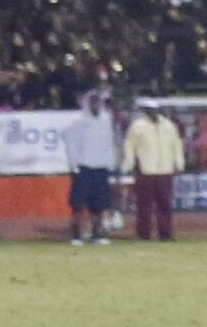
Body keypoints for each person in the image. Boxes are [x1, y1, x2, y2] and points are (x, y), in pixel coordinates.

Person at [123, 101, 186, 241]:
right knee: (144, 204)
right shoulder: (138, 126)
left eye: (155, 109)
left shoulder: (168, 126)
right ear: (145, 111)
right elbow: (130, 145)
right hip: (146, 169)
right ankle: (143, 234)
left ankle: (166, 233)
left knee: (165, 203)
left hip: (165, 169)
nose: (153, 112)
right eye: (150, 110)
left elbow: (176, 145)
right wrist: (130, 163)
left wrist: (179, 164)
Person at [64, 89, 120, 245]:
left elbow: (110, 143)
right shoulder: (78, 122)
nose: (95, 105)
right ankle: (77, 234)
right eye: (92, 102)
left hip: (101, 167)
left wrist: (112, 162)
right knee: (78, 204)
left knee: (100, 204)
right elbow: (71, 145)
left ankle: (98, 234)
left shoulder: (106, 120)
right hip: (84, 167)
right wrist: (74, 165)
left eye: (97, 102)